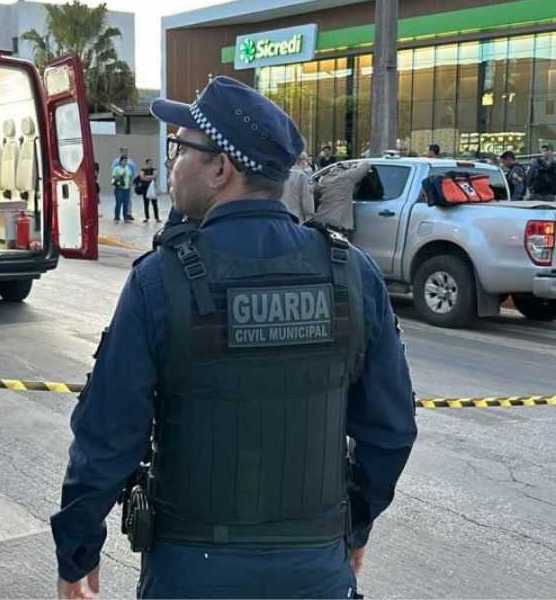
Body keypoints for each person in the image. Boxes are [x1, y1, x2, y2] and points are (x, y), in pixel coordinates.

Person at [52, 76, 417, 599]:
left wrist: (77, 551)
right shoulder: (351, 275)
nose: (172, 162)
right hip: (314, 570)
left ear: (222, 168)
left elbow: (108, 437)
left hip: (190, 573)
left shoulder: (160, 280)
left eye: (180, 148)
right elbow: (391, 430)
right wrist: (350, 530)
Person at [313, 160, 373, 238]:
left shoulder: (323, 180)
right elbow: (366, 165)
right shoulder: (346, 177)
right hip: (338, 223)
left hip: (321, 218)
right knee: (340, 248)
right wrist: (354, 165)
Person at [279, 152, 315, 223]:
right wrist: (310, 218)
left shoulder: (282, 174)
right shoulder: (303, 176)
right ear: (303, 161)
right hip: (297, 218)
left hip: (282, 216)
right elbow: (307, 202)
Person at [111, 147, 136, 219]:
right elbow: (114, 174)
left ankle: (128, 214)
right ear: (121, 151)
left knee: (128, 201)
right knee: (118, 202)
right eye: (124, 151)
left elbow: (132, 173)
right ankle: (117, 216)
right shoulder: (116, 162)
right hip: (119, 186)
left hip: (127, 186)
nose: (125, 152)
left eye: (126, 151)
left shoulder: (130, 162)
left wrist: (131, 182)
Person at [139, 158, 161, 223]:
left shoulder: (154, 169)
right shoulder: (143, 170)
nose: (151, 164)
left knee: (155, 203)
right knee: (146, 204)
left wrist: (147, 177)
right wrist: (150, 177)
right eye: (149, 163)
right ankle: (146, 217)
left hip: (153, 189)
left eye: (151, 163)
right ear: (146, 164)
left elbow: (155, 176)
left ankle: (157, 217)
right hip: (145, 188)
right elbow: (142, 177)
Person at [112, 156, 132, 222]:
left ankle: (125, 218)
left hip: (127, 188)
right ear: (120, 161)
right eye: (123, 161)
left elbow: (130, 176)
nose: (125, 162)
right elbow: (114, 177)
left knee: (126, 203)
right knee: (118, 203)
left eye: (126, 161)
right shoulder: (116, 168)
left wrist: (130, 184)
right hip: (119, 188)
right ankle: (117, 217)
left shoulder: (128, 168)